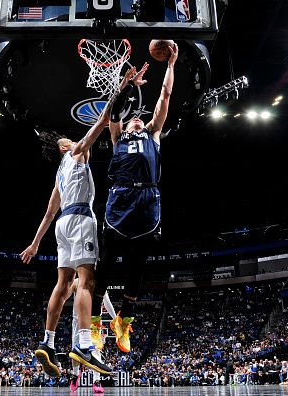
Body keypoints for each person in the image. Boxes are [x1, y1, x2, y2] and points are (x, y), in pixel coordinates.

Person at [19, 87, 124, 377]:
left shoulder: (58, 177)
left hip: (61, 226)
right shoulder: (77, 153)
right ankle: (84, 345)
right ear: (67, 147)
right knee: (87, 281)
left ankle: (48, 342)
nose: (76, 141)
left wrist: (34, 244)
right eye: (70, 140)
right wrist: (119, 92)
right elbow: (103, 121)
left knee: (62, 285)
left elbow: (49, 214)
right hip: (80, 218)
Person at [91, 42, 178, 354]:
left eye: (142, 119)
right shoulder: (118, 138)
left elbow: (164, 97)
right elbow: (113, 112)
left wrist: (170, 65)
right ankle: (96, 324)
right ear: (128, 125)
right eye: (134, 119)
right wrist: (125, 83)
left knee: (137, 269)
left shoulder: (153, 135)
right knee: (105, 267)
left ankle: (123, 324)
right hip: (120, 200)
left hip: (146, 201)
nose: (139, 119)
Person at [67, 277, 117, 394]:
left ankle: (97, 381)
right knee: (76, 352)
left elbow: (107, 302)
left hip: (94, 322)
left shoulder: (99, 282)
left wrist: (116, 320)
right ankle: (75, 374)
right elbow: (63, 296)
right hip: (78, 321)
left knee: (96, 351)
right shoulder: (77, 281)